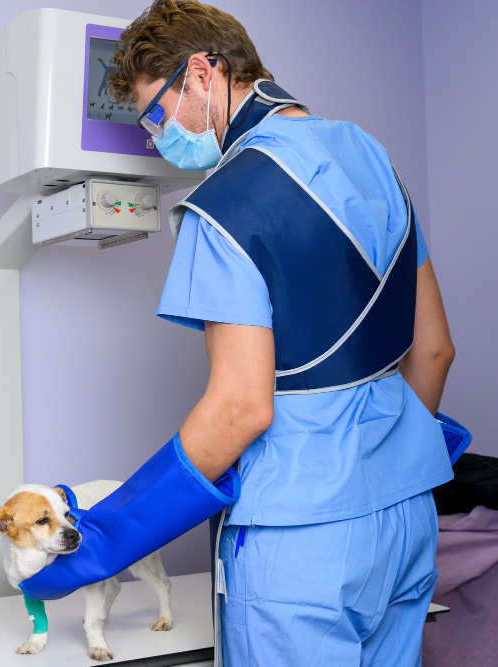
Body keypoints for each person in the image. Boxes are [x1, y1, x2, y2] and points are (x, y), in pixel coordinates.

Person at [104, 1, 457, 665]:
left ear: (203, 73)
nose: (155, 137)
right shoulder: (372, 155)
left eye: (155, 114)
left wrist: (109, 535)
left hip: (299, 544)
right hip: (406, 517)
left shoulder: (225, 205)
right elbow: (434, 349)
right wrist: (382, 467)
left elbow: (240, 407)